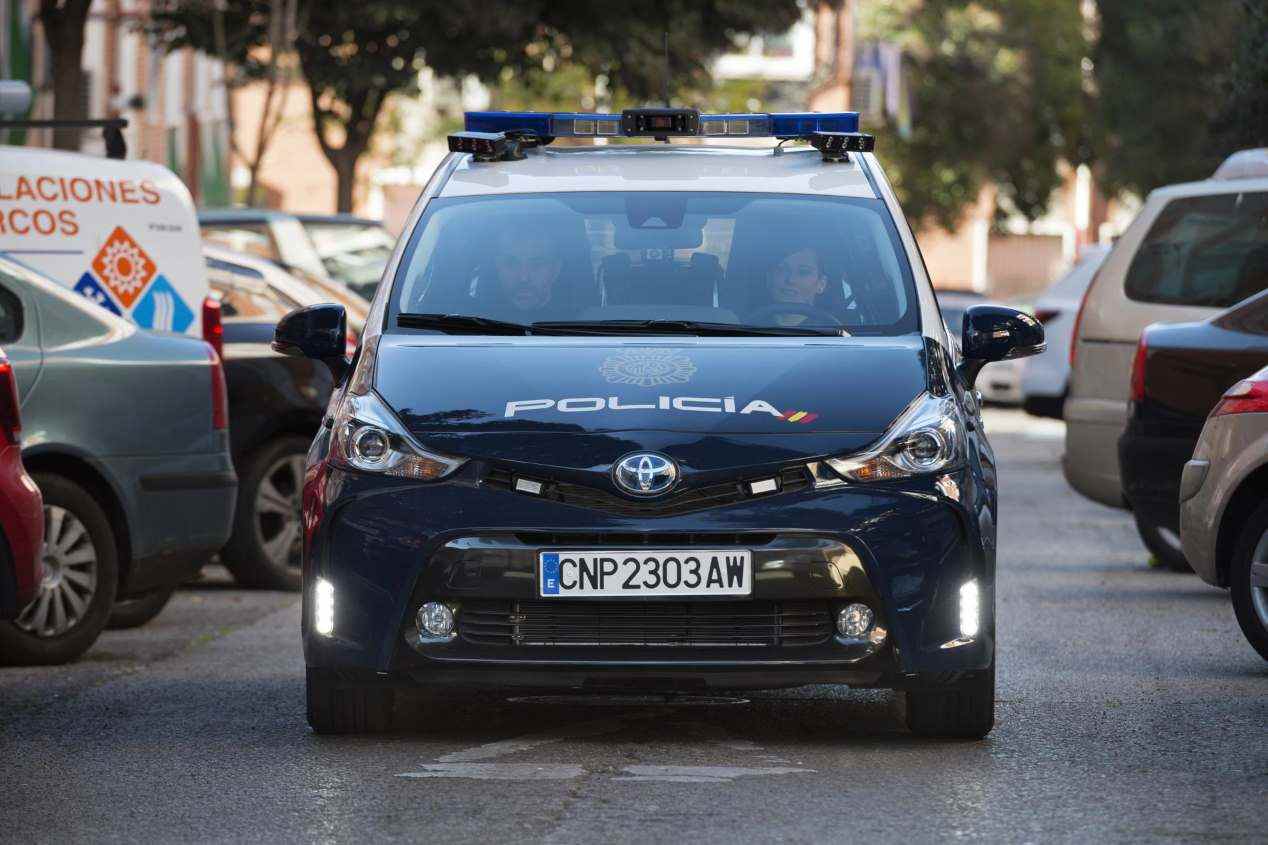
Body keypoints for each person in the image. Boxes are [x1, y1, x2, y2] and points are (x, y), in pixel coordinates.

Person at [491, 228, 562, 312]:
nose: (523, 278)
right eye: (511, 264)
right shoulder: (478, 312)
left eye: (536, 265)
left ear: (555, 270)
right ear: (497, 267)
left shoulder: (576, 317)